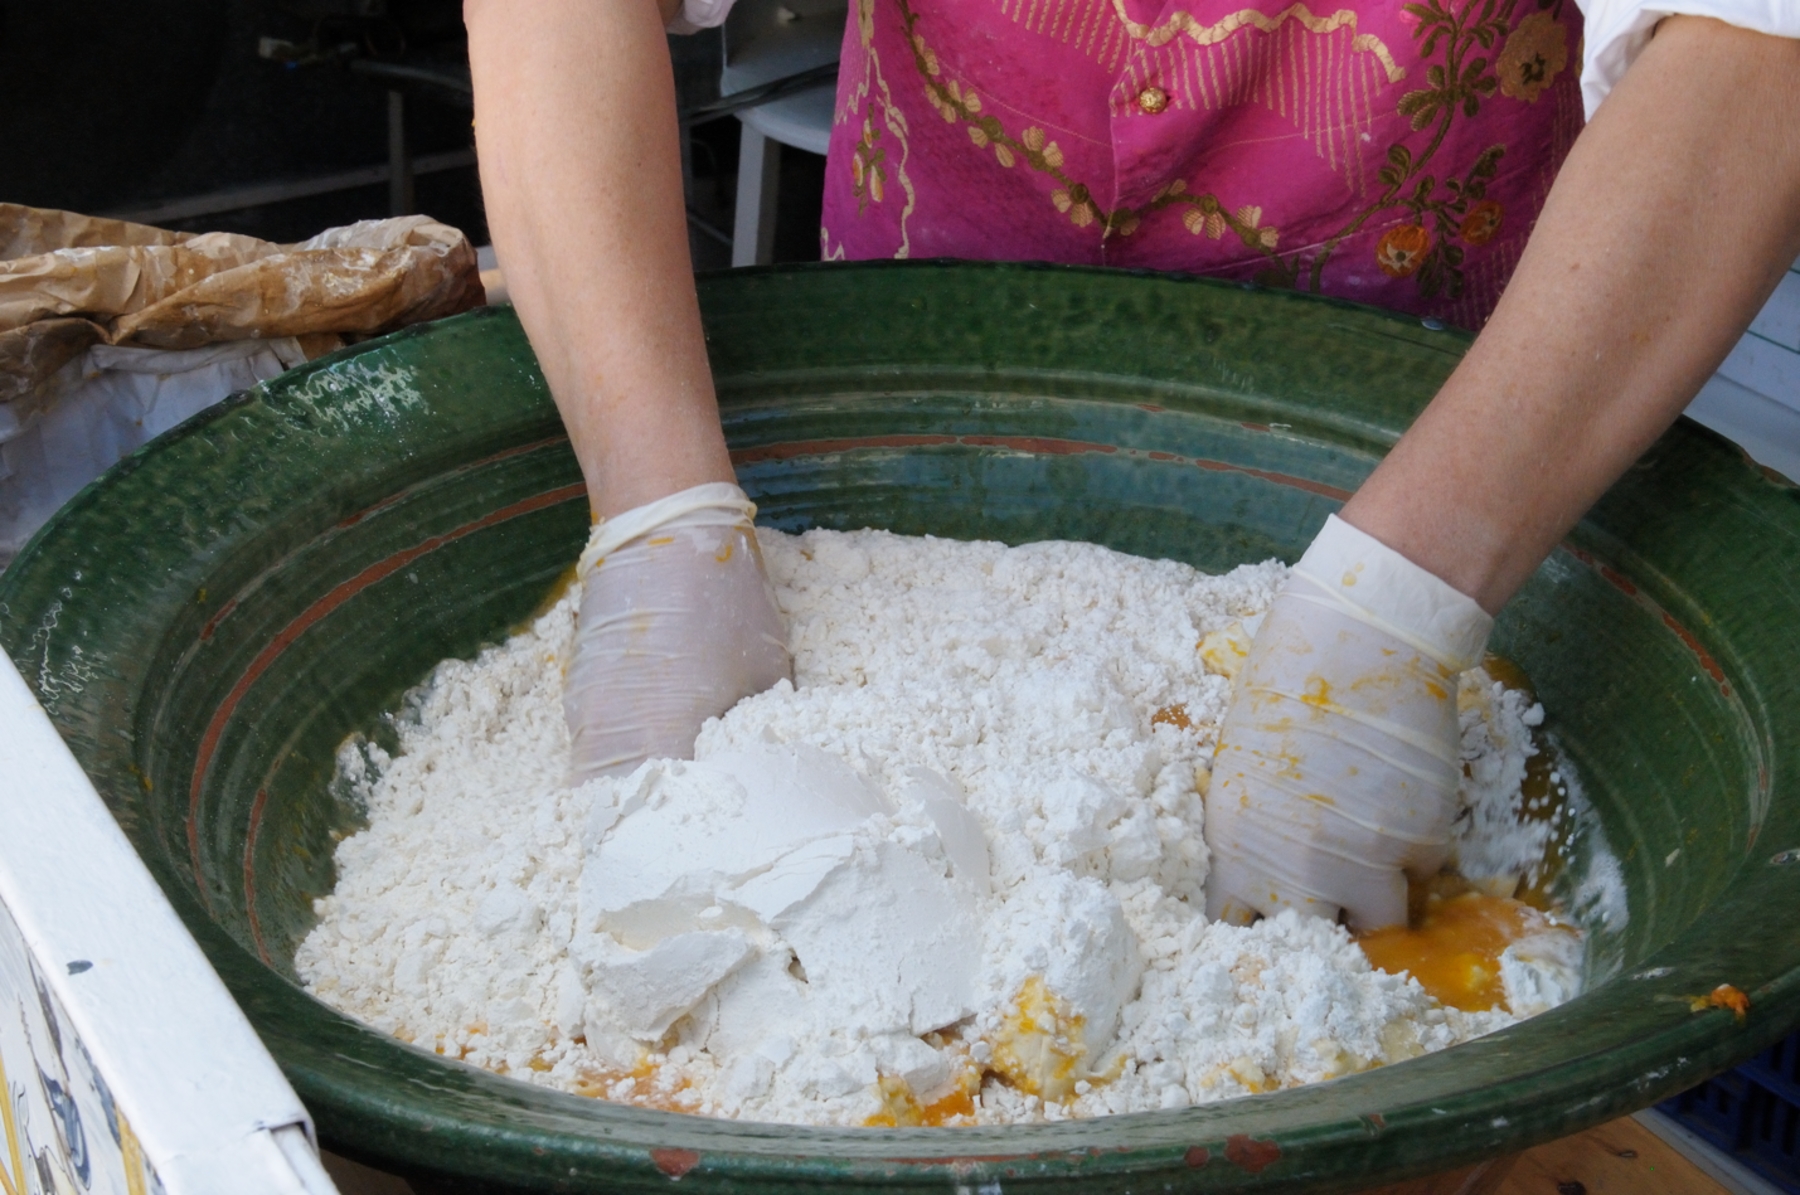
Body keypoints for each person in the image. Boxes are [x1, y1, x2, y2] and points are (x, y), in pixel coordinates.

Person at [462, 0, 1800, 931]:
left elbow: (1759, 45)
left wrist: (1400, 609)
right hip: (910, 388)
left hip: (1432, 425)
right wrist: (658, 508)